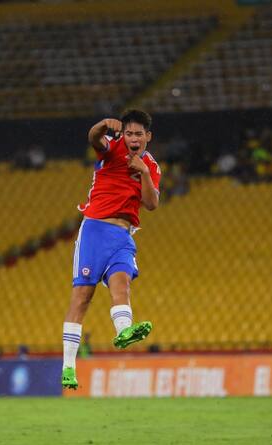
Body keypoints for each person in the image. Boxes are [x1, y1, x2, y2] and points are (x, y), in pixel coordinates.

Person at [61, 109, 161, 389]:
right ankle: (68, 366)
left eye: (138, 134)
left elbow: (152, 204)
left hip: (123, 235)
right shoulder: (110, 147)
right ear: (123, 135)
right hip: (95, 229)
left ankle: (123, 332)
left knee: (123, 284)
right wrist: (104, 123)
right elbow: (93, 137)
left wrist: (143, 174)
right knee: (82, 297)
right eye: (129, 133)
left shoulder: (151, 166)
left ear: (147, 137)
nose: (133, 138)